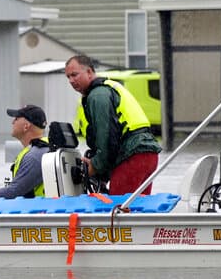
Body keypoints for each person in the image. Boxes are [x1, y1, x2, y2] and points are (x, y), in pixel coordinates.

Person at [64, 54, 162, 195]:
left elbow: (107, 137)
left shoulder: (98, 96)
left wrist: (95, 166)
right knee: (138, 210)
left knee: (117, 211)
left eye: (75, 75)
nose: (71, 81)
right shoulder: (109, 87)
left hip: (133, 156)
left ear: (89, 72)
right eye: (68, 77)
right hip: (148, 155)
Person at [0, 105, 50, 200]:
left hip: (39, 211)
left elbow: (13, 192)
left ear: (26, 126)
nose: (12, 122)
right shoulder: (42, 148)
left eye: (16, 119)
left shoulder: (35, 156)